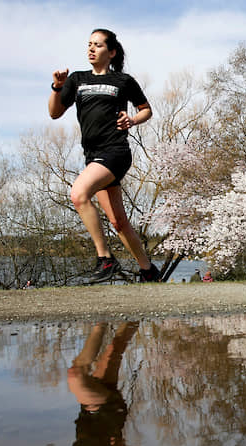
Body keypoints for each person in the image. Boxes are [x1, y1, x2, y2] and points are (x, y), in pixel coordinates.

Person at [48, 29, 159, 284]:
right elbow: (54, 113)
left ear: (111, 52)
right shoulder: (76, 80)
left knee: (78, 194)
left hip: (116, 152)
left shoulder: (123, 81)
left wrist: (132, 119)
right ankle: (148, 271)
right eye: (89, 44)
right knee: (118, 222)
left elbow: (146, 110)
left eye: (97, 45)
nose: (91, 49)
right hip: (94, 156)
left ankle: (105, 258)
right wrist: (57, 87)